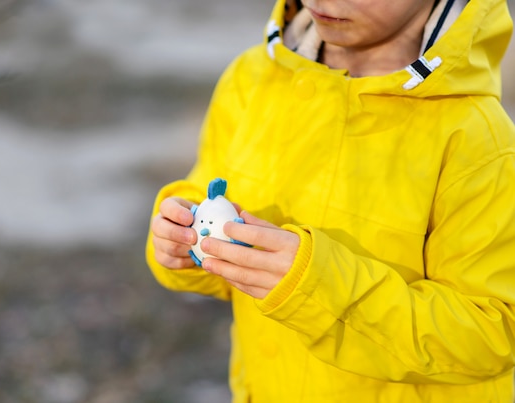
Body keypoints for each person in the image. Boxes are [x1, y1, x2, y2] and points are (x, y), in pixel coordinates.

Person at [146, 0, 515, 401]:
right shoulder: (252, 79)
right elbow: (208, 197)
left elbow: (492, 334)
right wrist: (183, 239)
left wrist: (316, 289)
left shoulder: (477, 139)